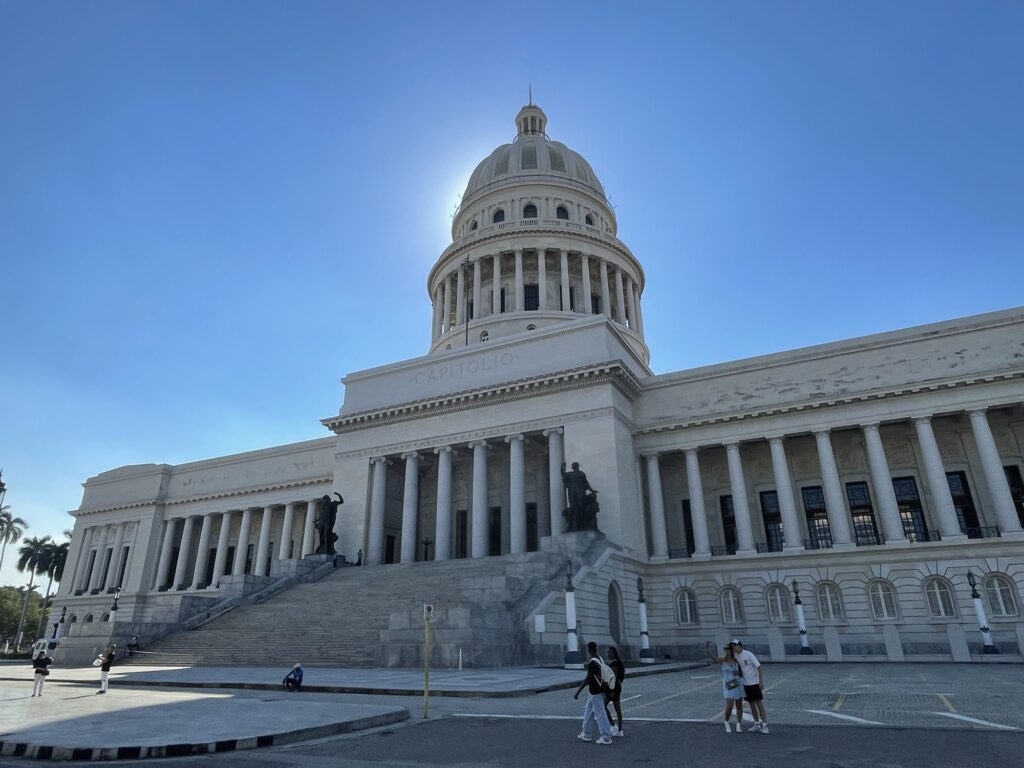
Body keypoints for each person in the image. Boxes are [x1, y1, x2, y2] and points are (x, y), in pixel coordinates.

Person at [572, 641, 613, 745]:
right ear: (596, 649)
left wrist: (578, 691)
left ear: (588, 649)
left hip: (596, 691)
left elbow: (588, 679)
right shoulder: (600, 659)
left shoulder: (592, 663)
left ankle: (606, 736)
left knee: (600, 713)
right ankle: (586, 733)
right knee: (588, 710)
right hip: (597, 691)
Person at [706, 641, 744, 732]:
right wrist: (707, 648)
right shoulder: (723, 660)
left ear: (732, 650)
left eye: (728, 649)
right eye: (725, 650)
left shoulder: (737, 660)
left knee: (739, 704)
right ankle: (726, 722)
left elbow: (743, 670)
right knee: (729, 704)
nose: (727, 651)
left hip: (737, 682)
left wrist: (738, 672)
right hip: (728, 683)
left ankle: (739, 724)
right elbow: (713, 657)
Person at [731, 639, 768, 734]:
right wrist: (737, 673)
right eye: (732, 646)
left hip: (754, 683)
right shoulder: (735, 655)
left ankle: (764, 725)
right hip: (745, 683)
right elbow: (742, 669)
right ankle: (756, 724)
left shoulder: (749, 654)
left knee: (759, 704)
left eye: (735, 646)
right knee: (751, 704)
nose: (733, 647)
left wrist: (761, 681)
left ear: (740, 646)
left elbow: (759, 667)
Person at [602, 646, 626, 737]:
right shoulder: (618, 663)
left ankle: (615, 726)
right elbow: (621, 677)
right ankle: (618, 728)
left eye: (609, 653)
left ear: (613, 653)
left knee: (606, 706)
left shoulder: (614, 664)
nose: (608, 654)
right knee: (616, 709)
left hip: (613, 689)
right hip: (617, 688)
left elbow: (613, 678)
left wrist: (611, 690)